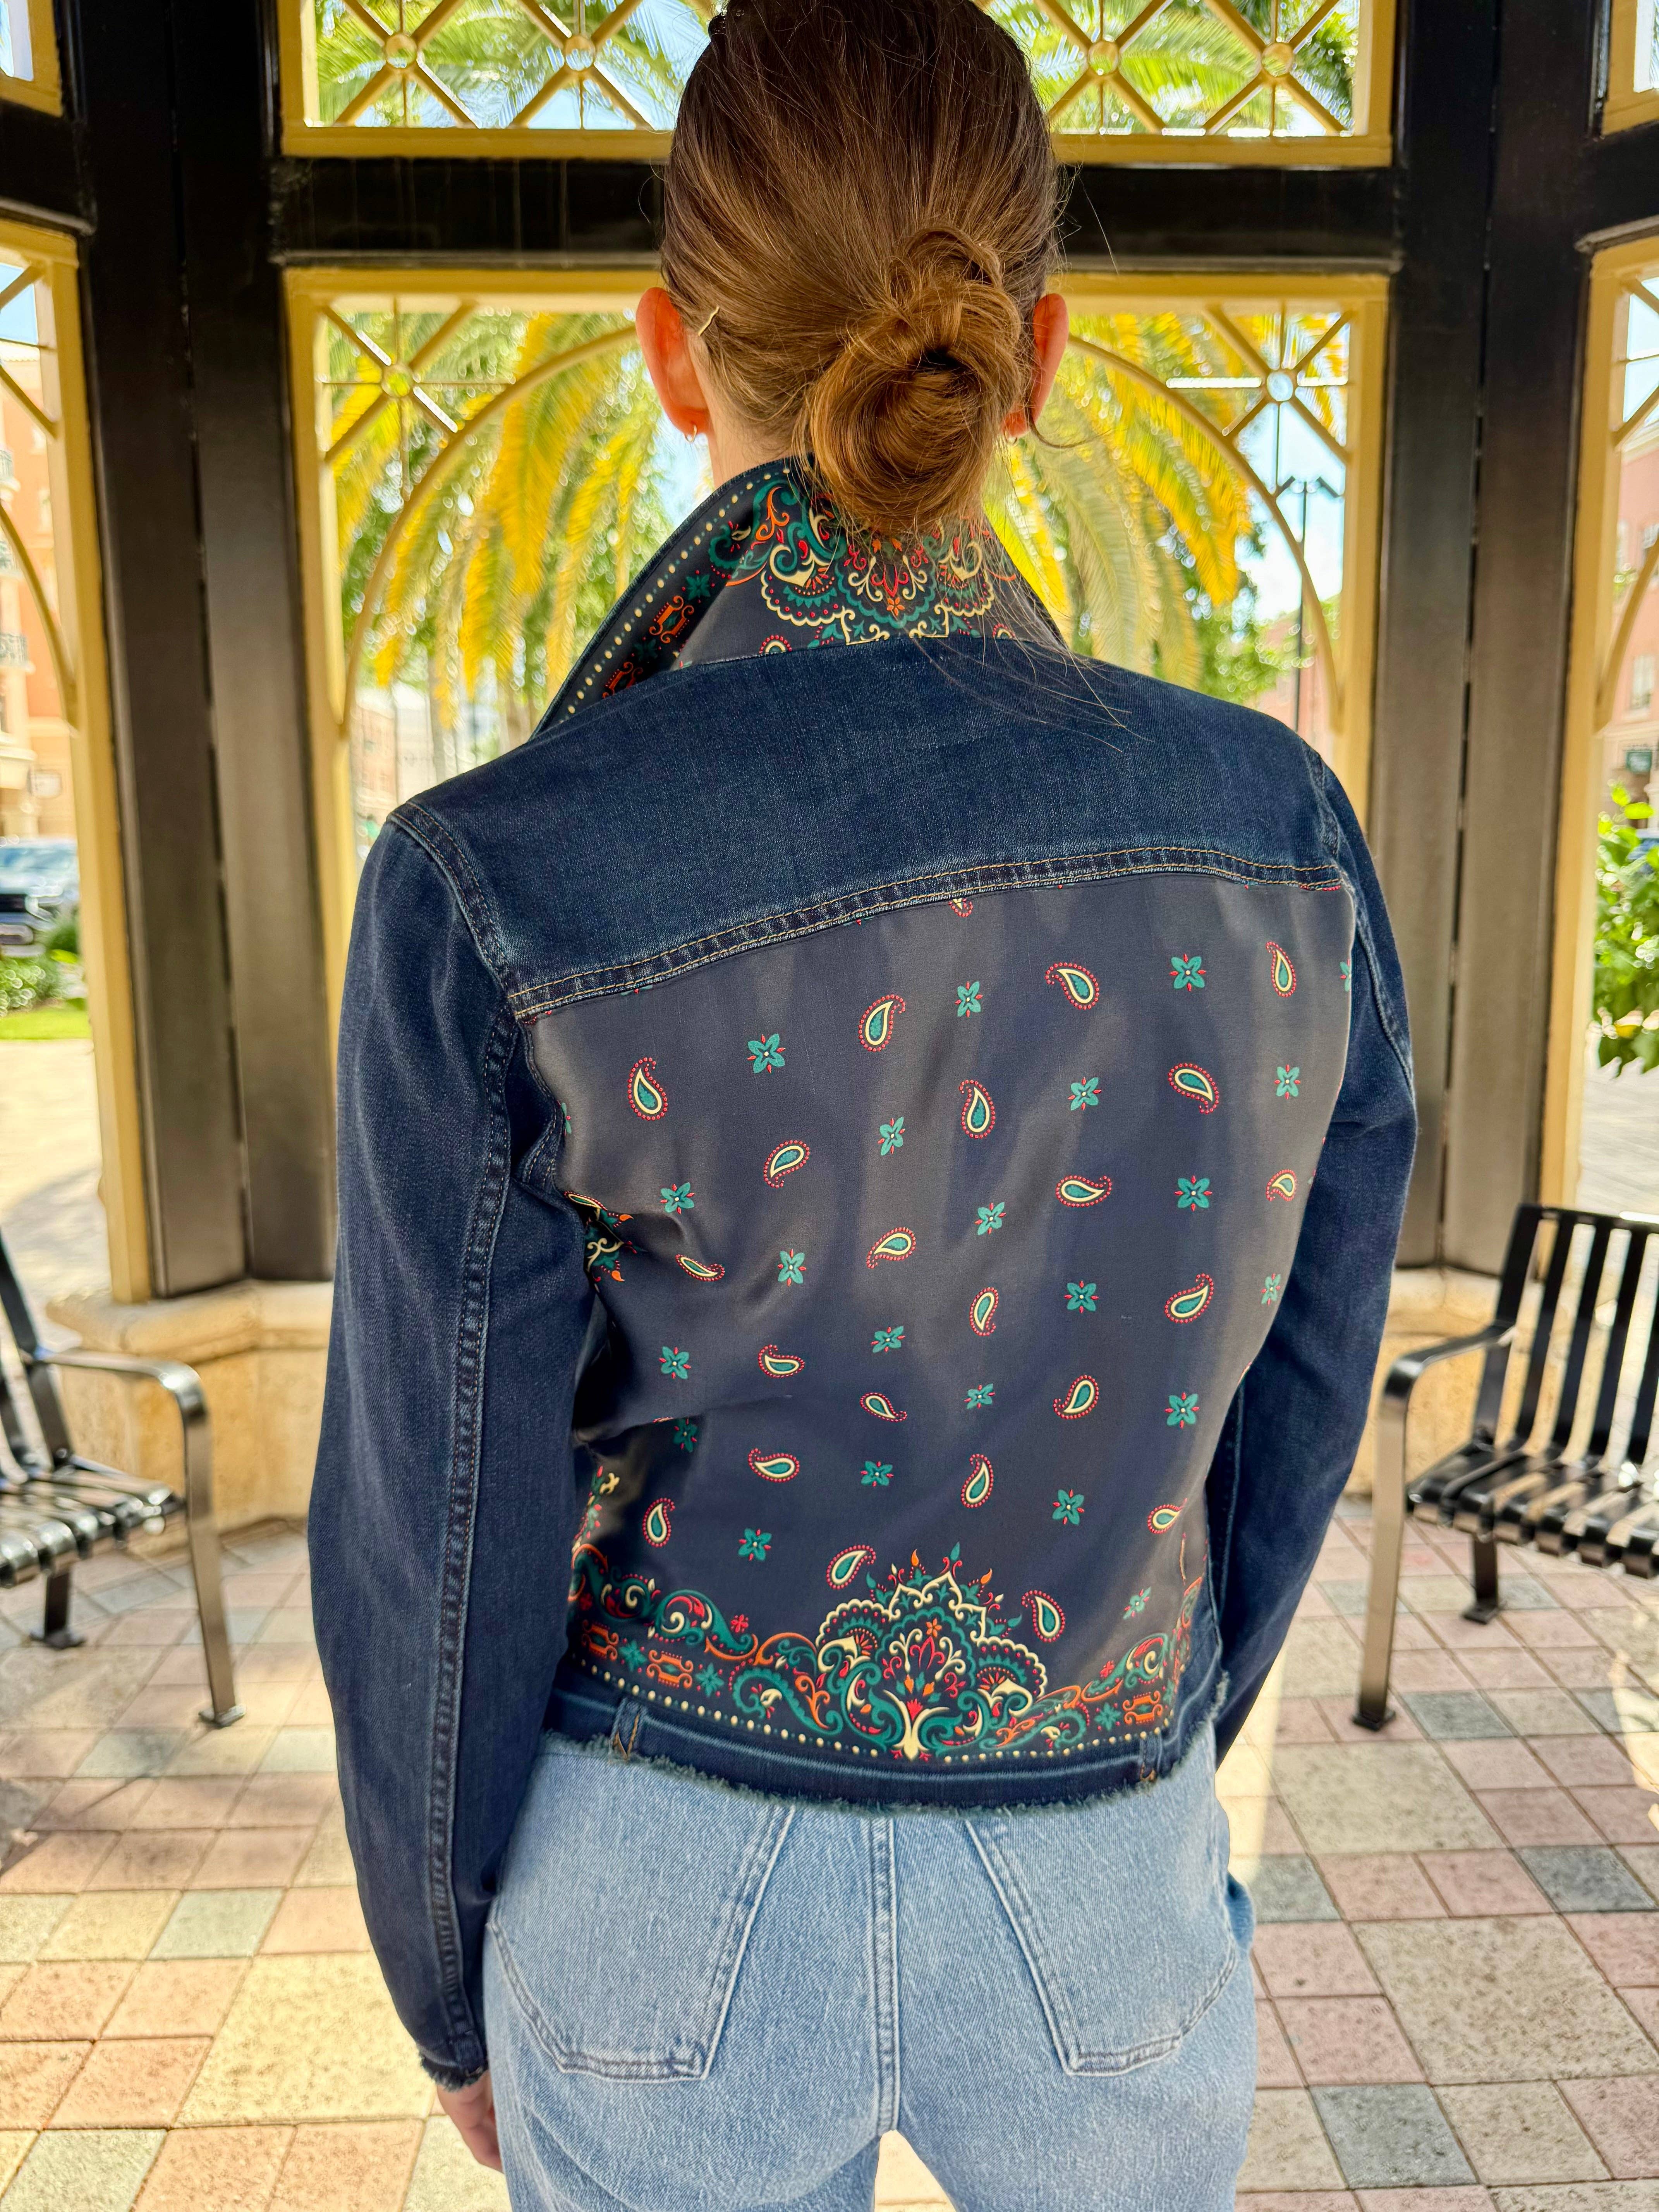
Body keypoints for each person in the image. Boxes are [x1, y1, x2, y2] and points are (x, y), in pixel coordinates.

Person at [309, 0, 1416, 2203]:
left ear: (666, 348)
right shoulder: (1276, 829)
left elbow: (438, 1519)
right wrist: (1138, 1736)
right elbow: (1306, 1388)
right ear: (1039, 352)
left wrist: (443, 1976)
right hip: (1101, 1853)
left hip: (662, 1882)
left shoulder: (493, 875)